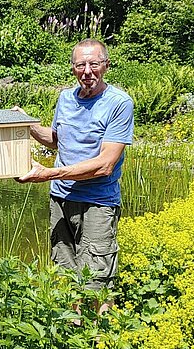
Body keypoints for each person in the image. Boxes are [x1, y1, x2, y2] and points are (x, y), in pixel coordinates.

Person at [16, 38, 134, 312]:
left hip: (97, 203)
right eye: (81, 65)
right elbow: (58, 140)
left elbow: (105, 164)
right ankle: (71, 342)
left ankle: (99, 342)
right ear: (72, 68)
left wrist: (50, 174)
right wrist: (26, 125)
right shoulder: (66, 99)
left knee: (95, 282)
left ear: (106, 65)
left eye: (94, 64)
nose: (87, 71)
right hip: (60, 201)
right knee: (65, 279)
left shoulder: (119, 103)